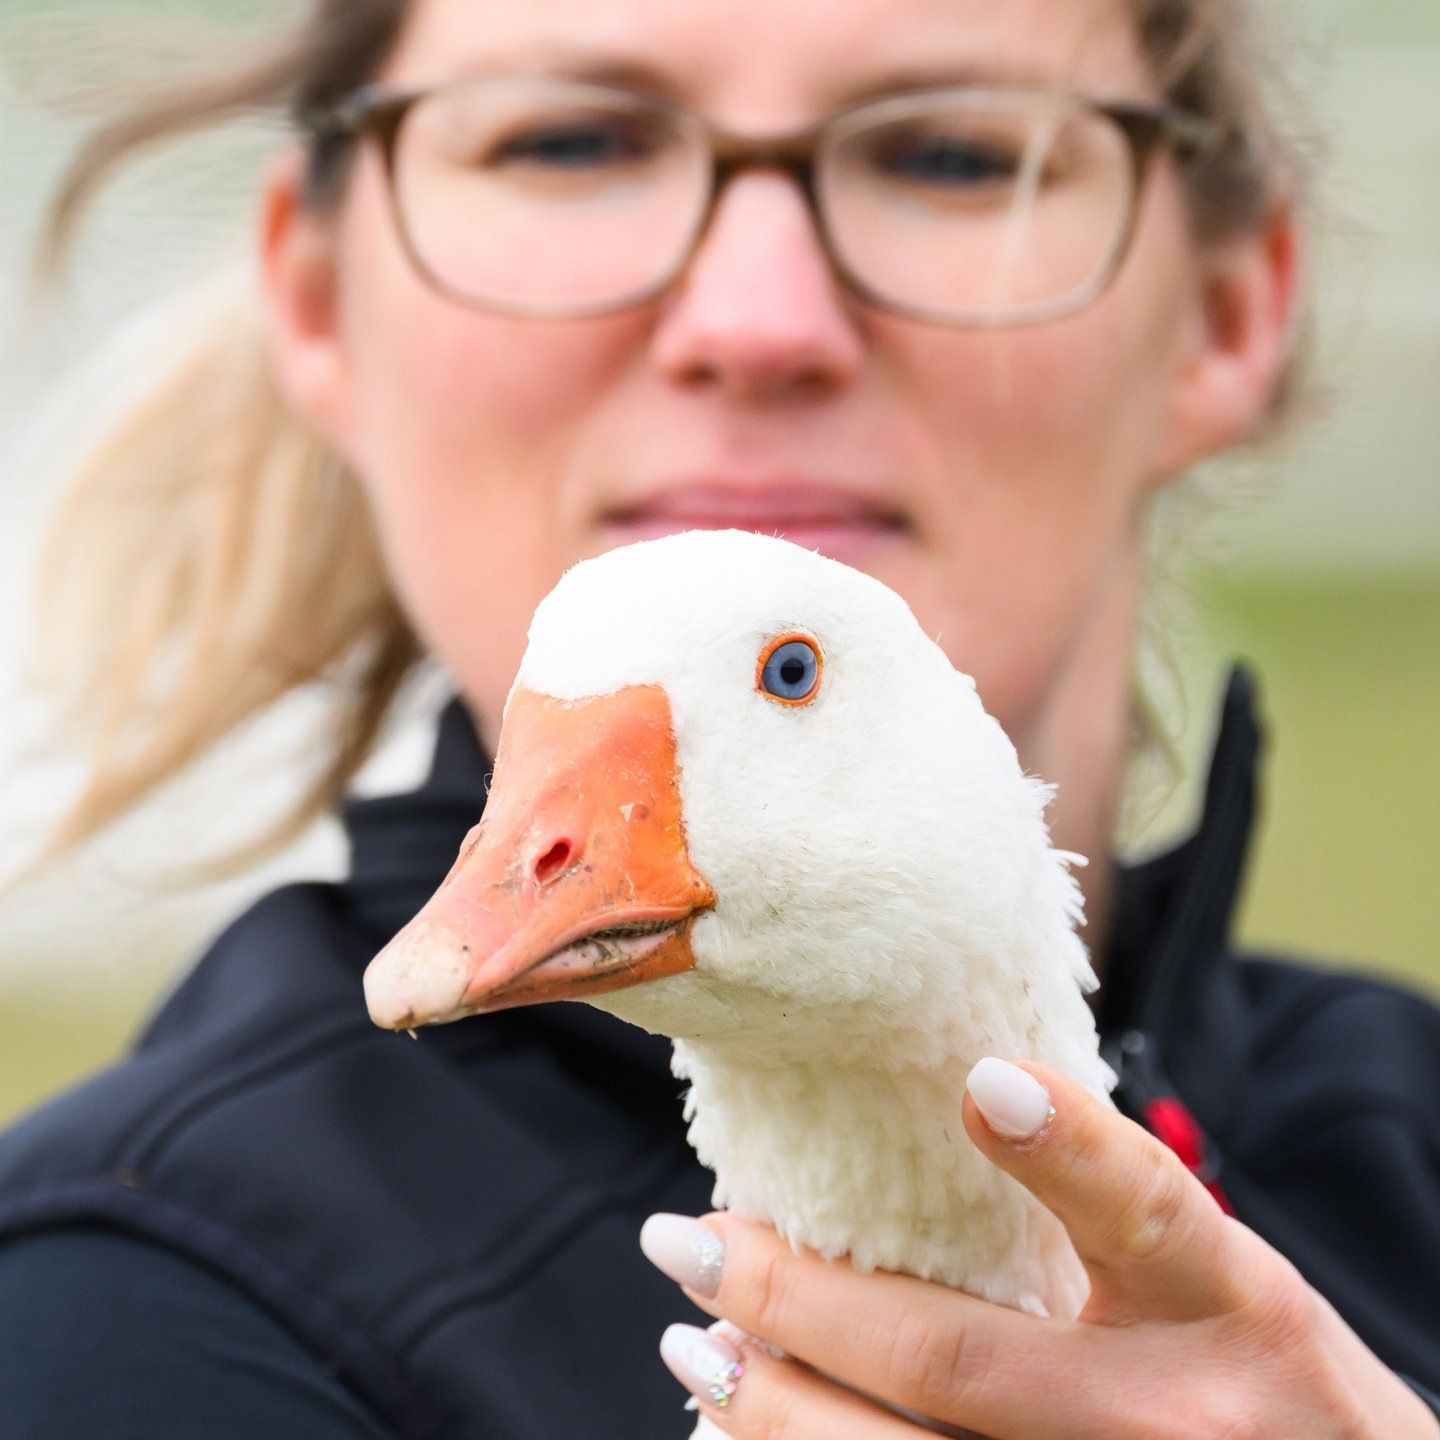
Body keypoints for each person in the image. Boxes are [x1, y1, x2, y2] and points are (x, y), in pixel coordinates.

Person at [0, 0, 1436, 1436]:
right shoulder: (123, 1341)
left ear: (1231, 307)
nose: (758, 324)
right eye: (573, 140)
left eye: (945, 154)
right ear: (313, 303)